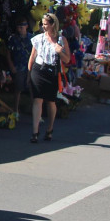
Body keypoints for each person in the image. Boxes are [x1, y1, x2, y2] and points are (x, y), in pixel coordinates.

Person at [27, 12, 70, 143]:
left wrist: (60, 51)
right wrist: (29, 74)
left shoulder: (61, 40)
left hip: (52, 72)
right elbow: (32, 56)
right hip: (38, 69)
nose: (43, 26)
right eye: (42, 24)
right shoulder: (38, 38)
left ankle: (50, 128)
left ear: (52, 25)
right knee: (37, 99)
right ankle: (35, 131)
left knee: (51, 101)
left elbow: (67, 59)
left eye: (45, 24)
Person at [4, 18, 32, 115]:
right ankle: (16, 110)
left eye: (22, 27)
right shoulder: (13, 38)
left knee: (33, 89)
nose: (20, 29)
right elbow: (8, 53)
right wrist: (11, 65)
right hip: (18, 66)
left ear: (26, 26)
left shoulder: (31, 38)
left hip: (29, 66)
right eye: (18, 27)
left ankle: (35, 110)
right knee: (18, 88)